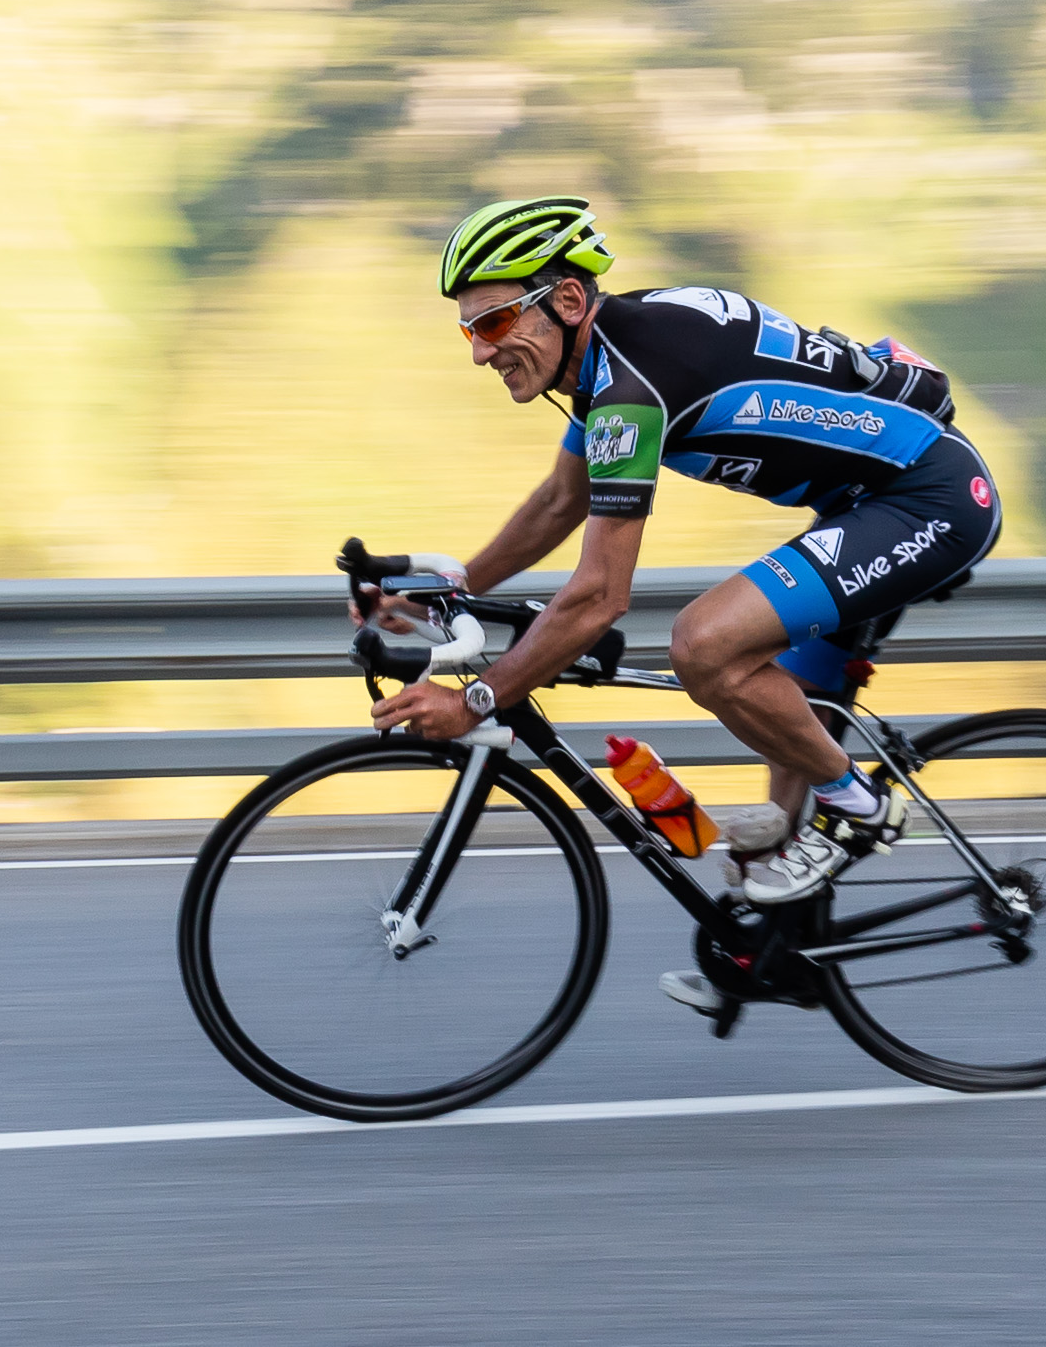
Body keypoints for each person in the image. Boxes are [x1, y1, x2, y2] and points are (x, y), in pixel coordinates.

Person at [362, 195, 1001, 1017]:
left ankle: (864, 809)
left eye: (492, 326)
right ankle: (777, 958)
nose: (482, 354)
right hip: (861, 502)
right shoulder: (611, 357)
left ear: (563, 301)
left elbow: (597, 598)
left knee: (706, 645)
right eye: (468, 332)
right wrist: (450, 595)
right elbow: (562, 501)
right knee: (774, 806)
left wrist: (478, 699)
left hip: (928, 497)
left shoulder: (630, 386)